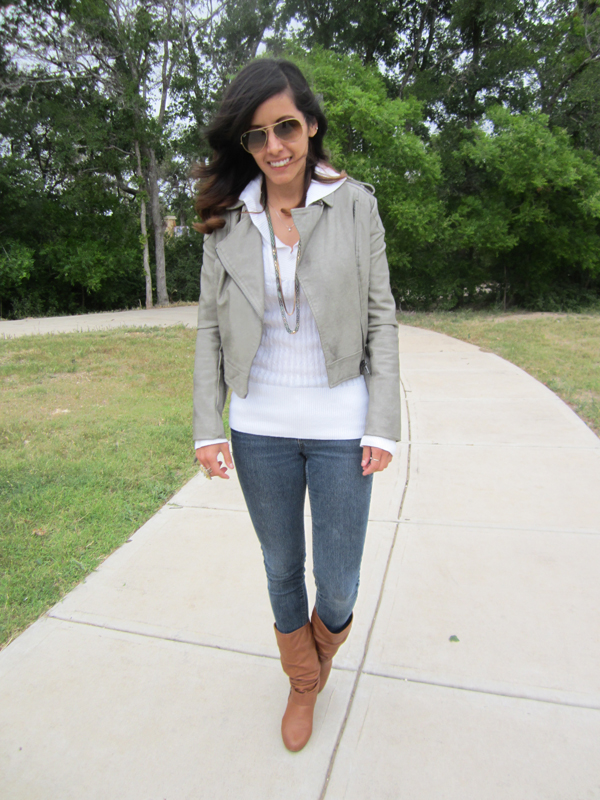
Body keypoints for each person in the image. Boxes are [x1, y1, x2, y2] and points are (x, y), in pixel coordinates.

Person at [192, 58, 400, 752]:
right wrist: (208, 427)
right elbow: (210, 328)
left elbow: (381, 317)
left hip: (342, 422)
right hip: (260, 427)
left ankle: (318, 651)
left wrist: (383, 425)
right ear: (245, 145)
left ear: (310, 124)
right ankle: (303, 682)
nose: (274, 145)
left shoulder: (355, 203)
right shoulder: (228, 219)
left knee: (338, 582)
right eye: (257, 135)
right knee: (281, 567)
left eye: (285, 126)